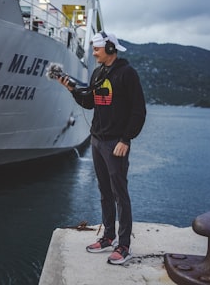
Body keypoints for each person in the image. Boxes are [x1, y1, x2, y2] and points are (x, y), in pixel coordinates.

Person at [58, 31, 146, 265]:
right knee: (105, 192)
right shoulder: (98, 72)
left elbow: (139, 111)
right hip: (97, 140)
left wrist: (126, 140)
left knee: (120, 194)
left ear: (109, 48)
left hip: (116, 143)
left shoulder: (127, 74)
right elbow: (90, 102)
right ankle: (108, 237)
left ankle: (124, 245)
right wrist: (72, 89)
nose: (94, 52)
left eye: (96, 48)